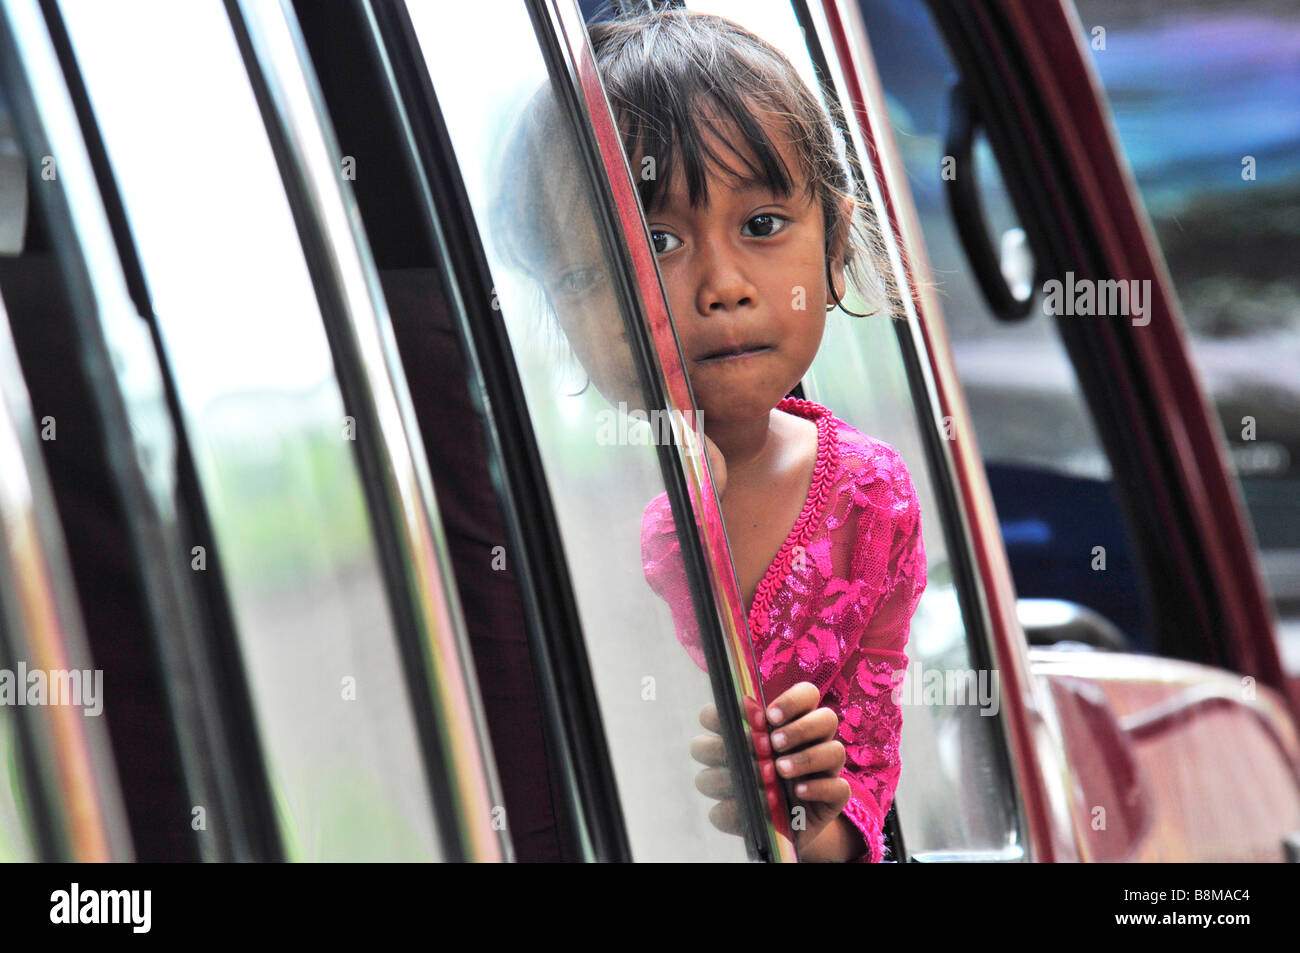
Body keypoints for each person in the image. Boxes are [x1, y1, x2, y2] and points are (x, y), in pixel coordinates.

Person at [590, 8, 928, 862]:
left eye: (763, 225)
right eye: (658, 239)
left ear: (837, 243)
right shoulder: (581, 497)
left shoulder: (866, 496)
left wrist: (811, 811)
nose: (723, 284)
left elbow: (867, 749)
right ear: (577, 290)